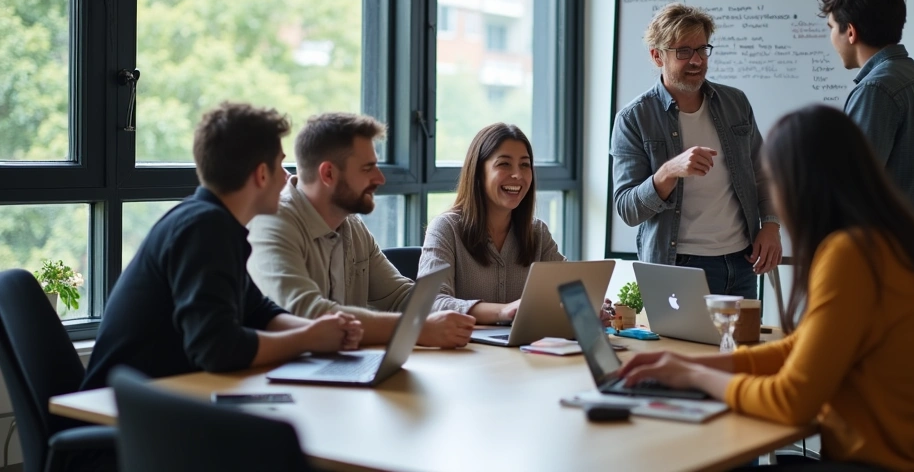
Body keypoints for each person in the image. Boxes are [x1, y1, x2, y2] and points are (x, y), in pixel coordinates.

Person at [618, 105, 914, 471]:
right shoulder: (899, 241)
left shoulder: (852, 255)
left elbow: (792, 400)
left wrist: (695, 376)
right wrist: (697, 365)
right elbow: (803, 347)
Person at [82, 103, 363, 391]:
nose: (286, 177)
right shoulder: (205, 228)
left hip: (156, 405)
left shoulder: (211, 222)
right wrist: (308, 339)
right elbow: (218, 349)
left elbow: (259, 312)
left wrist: (324, 331)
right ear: (261, 174)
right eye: (280, 164)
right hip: (117, 416)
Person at [247, 112, 475, 348]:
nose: (381, 178)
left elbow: (400, 297)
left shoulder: (351, 224)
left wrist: (473, 314)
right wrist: (416, 329)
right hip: (284, 376)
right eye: (368, 168)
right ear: (328, 174)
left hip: (337, 370)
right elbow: (307, 315)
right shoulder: (271, 223)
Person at [609, 2, 781, 299]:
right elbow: (627, 208)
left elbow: (762, 172)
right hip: (678, 267)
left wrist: (772, 225)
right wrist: (668, 171)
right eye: (683, 51)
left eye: (702, 49)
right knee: (686, 348)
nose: (697, 60)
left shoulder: (735, 103)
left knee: (740, 346)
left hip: (742, 262)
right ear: (657, 55)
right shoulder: (634, 118)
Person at [819, 0, 914, 233]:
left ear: (851, 32)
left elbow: (852, 189)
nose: (831, 38)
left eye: (832, 27)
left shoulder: (876, 88)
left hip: (883, 252)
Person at [417, 123, 565, 324]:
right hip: (466, 352)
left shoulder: (537, 232)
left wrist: (584, 306)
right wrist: (503, 311)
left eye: (525, 165)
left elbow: (566, 287)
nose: (518, 175)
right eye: (504, 164)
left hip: (525, 351)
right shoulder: (446, 228)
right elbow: (430, 303)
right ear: (478, 172)